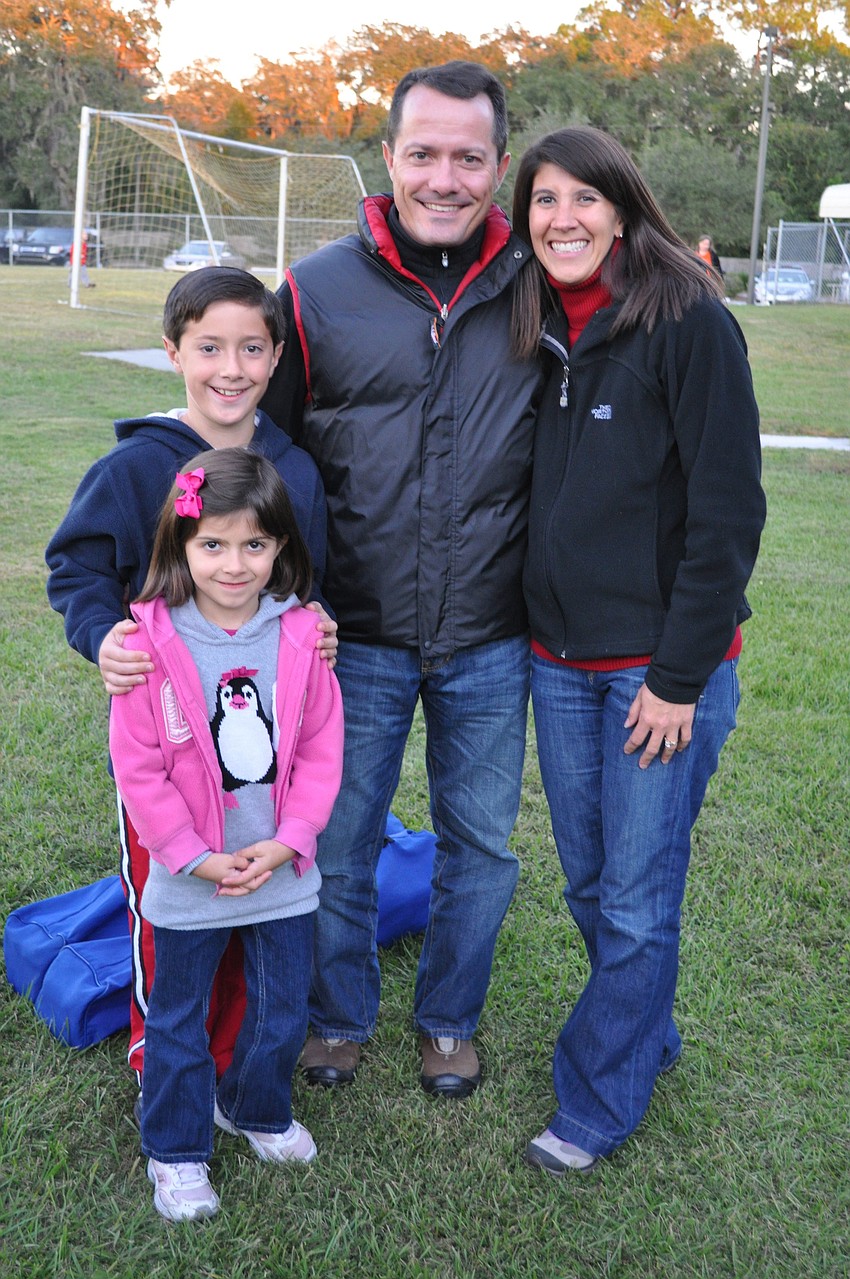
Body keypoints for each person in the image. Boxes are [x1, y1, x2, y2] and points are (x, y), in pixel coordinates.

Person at [261, 61, 544, 1098]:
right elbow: (263, 459)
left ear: (498, 168)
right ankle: (338, 1018)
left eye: (468, 157)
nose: (444, 175)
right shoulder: (312, 288)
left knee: (481, 842)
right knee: (338, 842)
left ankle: (447, 1021)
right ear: (388, 159)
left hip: (489, 628)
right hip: (355, 633)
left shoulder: (536, 282)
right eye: (422, 152)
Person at [510, 127, 766, 1173]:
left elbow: (726, 515)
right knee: (588, 883)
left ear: (622, 207)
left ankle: (596, 1099)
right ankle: (644, 1030)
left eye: (582, 197)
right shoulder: (533, 321)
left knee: (633, 894)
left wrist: (677, 678)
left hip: (655, 675)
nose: (560, 217)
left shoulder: (688, 320)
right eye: (541, 200)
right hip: (556, 663)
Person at [46, 266, 337, 1086]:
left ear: (277, 357)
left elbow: (308, 583)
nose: (231, 368)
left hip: (264, 749)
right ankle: (164, 1054)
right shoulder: (140, 467)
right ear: (174, 350)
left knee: (257, 896)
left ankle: (236, 1057)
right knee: (171, 904)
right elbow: (78, 569)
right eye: (210, 347)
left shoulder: (294, 473)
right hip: (167, 745)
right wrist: (102, 633)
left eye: (251, 347)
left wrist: (323, 626)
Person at [108, 449, 343, 1220]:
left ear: (280, 546)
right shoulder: (149, 647)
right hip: (188, 878)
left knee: (281, 1008)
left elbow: (318, 750)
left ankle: (255, 1106)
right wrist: (195, 856)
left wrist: (291, 838)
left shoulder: (304, 636)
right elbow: (140, 770)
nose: (234, 563)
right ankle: (175, 1148)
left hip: (282, 871)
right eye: (212, 543)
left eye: (254, 544)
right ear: (179, 545)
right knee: (181, 1016)